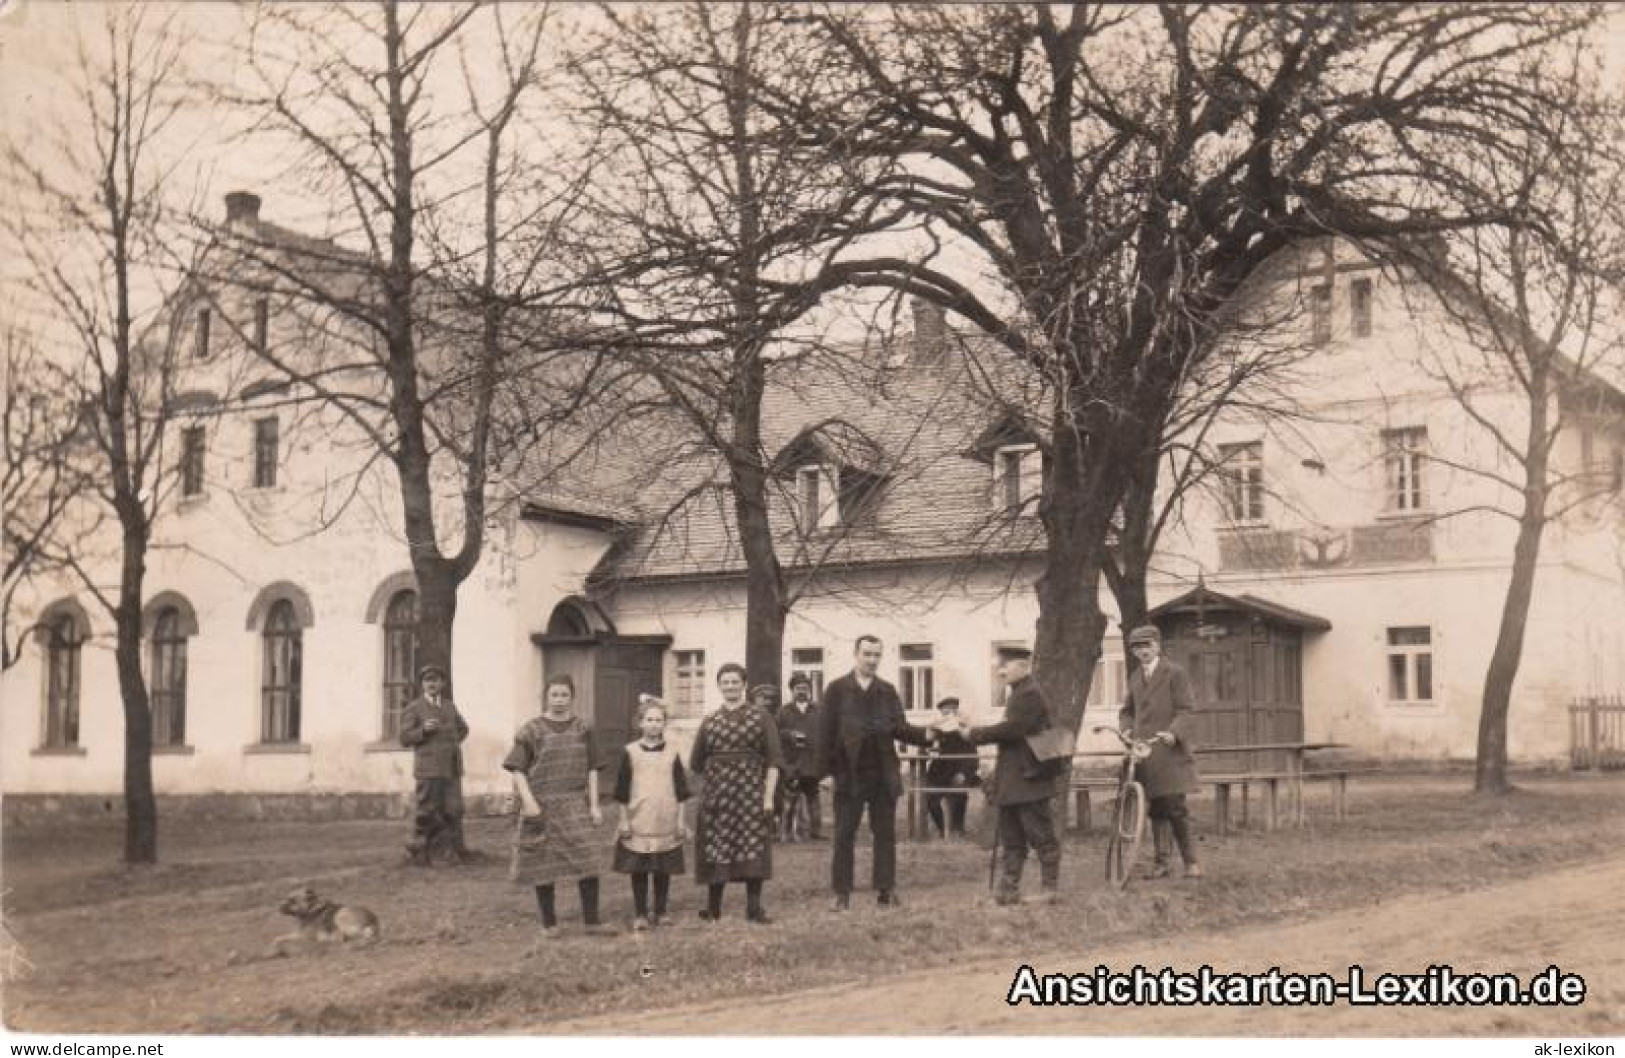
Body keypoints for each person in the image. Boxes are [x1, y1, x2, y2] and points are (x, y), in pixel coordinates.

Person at [818, 635, 938, 910]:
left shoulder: (887, 691)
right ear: (855, 654)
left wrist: (928, 734)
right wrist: (825, 773)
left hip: (883, 774)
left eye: (876, 655)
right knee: (844, 834)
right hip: (849, 775)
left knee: (884, 834)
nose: (871, 660)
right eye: (867, 654)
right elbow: (824, 733)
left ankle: (885, 891)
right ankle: (842, 894)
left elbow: (901, 728)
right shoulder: (837, 689)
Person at [505, 674, 616, 939]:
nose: (559, 700)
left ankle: (592, 921)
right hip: (540, 805)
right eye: (554, 694)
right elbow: (517, 770)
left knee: (588, 857)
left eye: (564, 695)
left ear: (572, 697)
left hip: (574, 803)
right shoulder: (531, 730)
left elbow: (592, 768)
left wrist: (594, 805)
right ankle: (549, 924)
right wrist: (529, 802)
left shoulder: (583, 728)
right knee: (543, 864)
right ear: (546, 696)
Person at [963, 645, 1063, 906]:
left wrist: (976, 734)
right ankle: (1008, 890)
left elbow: (1013, 729)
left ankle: (1049, 889)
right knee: (1012, 837)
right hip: (1014, 780)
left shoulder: (1029, 694)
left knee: (1041, 836)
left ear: (1023, 666)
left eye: (1006, 665)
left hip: (1029, 778)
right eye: (999, 664)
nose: (1000, 670)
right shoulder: (1019, 693)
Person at [690, 663, 782, 924]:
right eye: (725, 682)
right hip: (718, 796)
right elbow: (696, 763)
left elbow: (774, 761)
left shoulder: (761, 717)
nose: (730, 686)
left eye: (735, 681)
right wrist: (710, 792)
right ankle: (713, 910)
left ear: (744, 685)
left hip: (751, 793)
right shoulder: (710, 721)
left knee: (753, 846)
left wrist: (768, 798)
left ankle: (754, 909)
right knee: (717, 847)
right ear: (719, 686)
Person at [1120, 625, 1203, 879]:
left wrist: (1173, 732)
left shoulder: (1174, 673)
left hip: (1169, 753)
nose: (1142, 651)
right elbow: (1127, 711)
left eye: (1147, 645)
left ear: (1157, 645)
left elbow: (1186, 709)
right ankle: (1162, 862)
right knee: (1156, 807)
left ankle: (1192, 863)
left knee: (1175, 807)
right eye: (1137, 647)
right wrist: (1126, 731)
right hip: (1144, 754)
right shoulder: (1135, 677)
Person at [612, 695, 691, 931]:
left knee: (662, 868)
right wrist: (623, 820)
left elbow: (682, 791)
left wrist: (681, 820)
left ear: (664, 723)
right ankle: (640, 913)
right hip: (639, 820)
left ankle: (661, 910)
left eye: (659, 720)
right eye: (650, 719)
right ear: (640, 723)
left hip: (665, 820)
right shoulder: (630, 752)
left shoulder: (673, 753)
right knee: (639, 869)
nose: (654, 724)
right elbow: (622, 790)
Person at [398, 664, 471, 865]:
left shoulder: (449, 706)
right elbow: (404, 738)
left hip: (451, 767)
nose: (432, 683)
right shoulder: (414, 708)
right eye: (428, 680)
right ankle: (418, 853)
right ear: (422, 684)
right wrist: (423, 731)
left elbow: (463, 729)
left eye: (436, 679)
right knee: (427, 811)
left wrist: (450, 744)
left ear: (443, 683)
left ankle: (452, 851)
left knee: (452, 809)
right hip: (428, 769)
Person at [775, 673, 824, 841]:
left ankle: (815, 832)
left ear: (809, 690)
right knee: (789, 799)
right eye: (798, 688)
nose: (802, 691)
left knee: (813, 797)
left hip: (812, 762)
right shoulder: (784, 711)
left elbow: (825, 735)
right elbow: (776, 733)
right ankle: (786, 832)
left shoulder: (818, 710)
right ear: (792, 691)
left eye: (805, 688)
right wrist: (789, 734)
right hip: (792, 762)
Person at [924, 697, 979, 841]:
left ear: (956, 711)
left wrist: (964, 773)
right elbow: (926, 740)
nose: (948, 712)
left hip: (960, 767)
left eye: (952, 709)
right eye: (945, 709)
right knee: (931, 797)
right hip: (941, 769)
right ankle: (942, 830)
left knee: (959, 795)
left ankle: (957, 830)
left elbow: (973, 755)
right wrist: (932, 728)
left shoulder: (964, 729)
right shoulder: (939, 729)